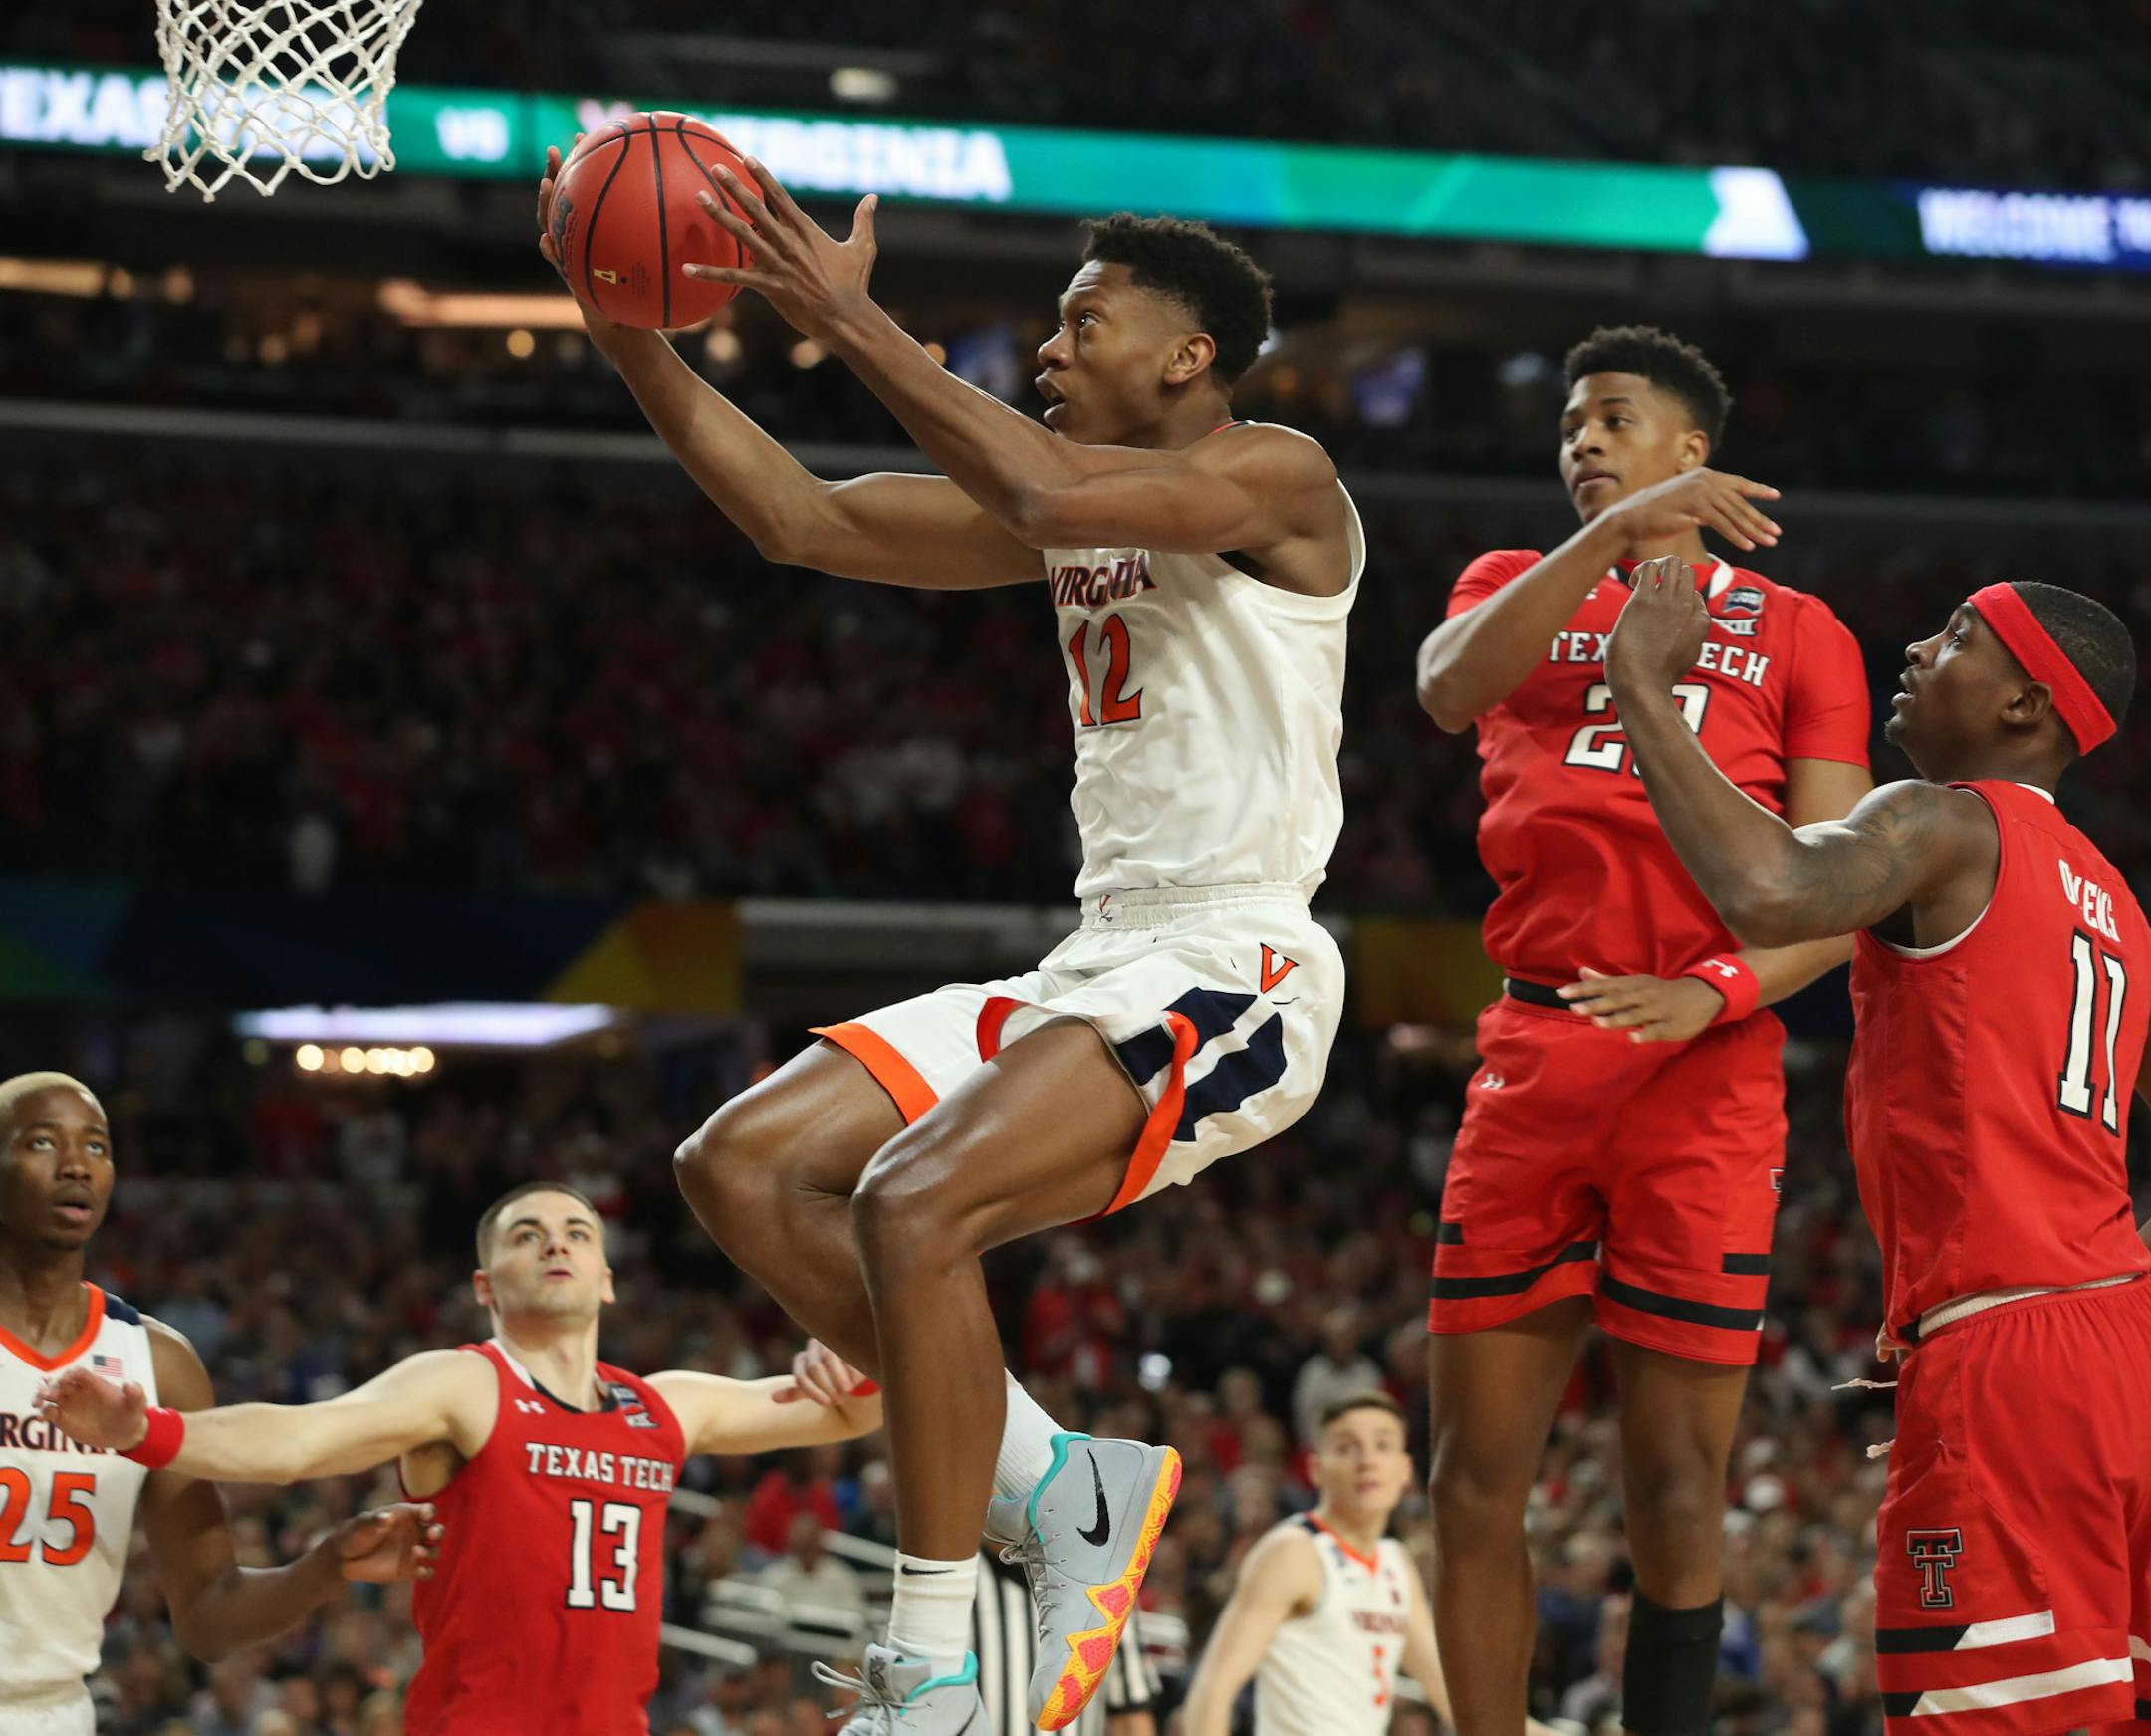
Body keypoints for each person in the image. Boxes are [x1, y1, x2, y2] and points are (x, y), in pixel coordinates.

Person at [536, 145, 1361, 1734]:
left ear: (1187, 356)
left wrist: (855, 324)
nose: (1047, 351)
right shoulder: (1068, 517)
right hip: (1098, 952)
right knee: (744, 1166)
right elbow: (799, 517)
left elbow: (1050, 488)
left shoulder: (1280, 475)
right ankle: (1058, 1477)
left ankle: (931, 1664)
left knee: (914, 1203)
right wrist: (628, 323)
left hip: (1240, 959)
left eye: (1082, 321)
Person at [1410, 326, 1874, 1736]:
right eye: (1569, 425)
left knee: (1676, 1483)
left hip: (1702, 1065)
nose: (1582, 441)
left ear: (1695, 450)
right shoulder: (1510, 584)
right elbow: (1442, 685)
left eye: (1615, 419)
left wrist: (1716, 991)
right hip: (1535, 1050)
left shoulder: (1801, 630)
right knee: (1473, 1478)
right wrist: (1608, 539)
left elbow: (1842, 888)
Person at [1602, 566, 2151, 1734]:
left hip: (2010, 1354)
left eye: (1958, 638)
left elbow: (1769, 888)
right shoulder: (2117, 901)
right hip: (2120, 1337)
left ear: (2026, 707)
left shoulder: (1944, 820)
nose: (1916, 652)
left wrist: (1642, 687)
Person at [38, 1181, 884, 1736]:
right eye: (528, 1233)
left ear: (609, 1278)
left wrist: (848, 1354)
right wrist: (146, 1432)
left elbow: (863, 1407)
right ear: (485, 1285)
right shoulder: (463, 1384)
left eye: (576, 1232)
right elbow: (301, 1441)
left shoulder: (666, 1402)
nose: (556, 1244)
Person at [0, 1071, 439, 1736]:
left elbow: (208, 1613)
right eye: (41, 1142)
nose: (75, 1166)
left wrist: (325, 1565)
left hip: (54, 1714)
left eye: (96, 1146)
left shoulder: (160, 1361)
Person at [1183, 1391, 1554, 1736]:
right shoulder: (1293, 1551)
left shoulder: (1395, 1562)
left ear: (1404, 1469)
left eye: (1382, 1445)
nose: (1367, 1461)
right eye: (1347, 1448)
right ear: (1316, 1469)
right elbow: (1214, 1687)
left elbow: (1450, 1696)